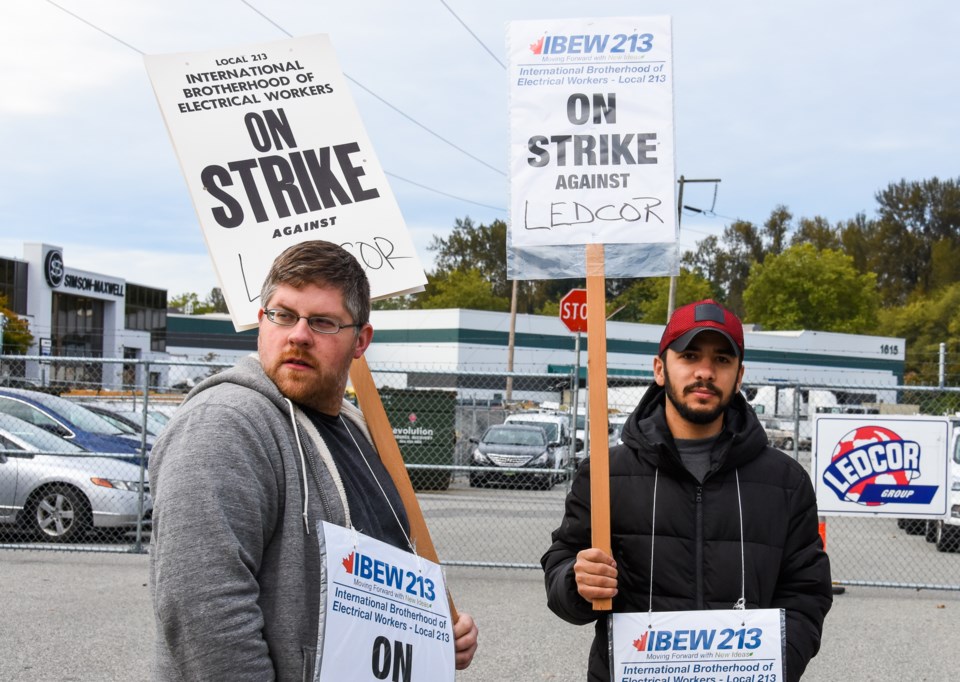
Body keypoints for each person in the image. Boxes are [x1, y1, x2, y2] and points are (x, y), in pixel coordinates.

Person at [149, 241, 478, 680]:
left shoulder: (360, 431)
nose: (299, 335)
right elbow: (204, 610)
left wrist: (430, 635)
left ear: (360, 341)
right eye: (283, 315)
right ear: (262, 321)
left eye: (323, 322)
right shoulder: (225, 424)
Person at [542, 299, 831, 682]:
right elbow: (562, 562)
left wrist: (773, 666)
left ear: (739, 376)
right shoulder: (605, 473)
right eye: (690, 356)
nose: (705, 372)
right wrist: (577, 583)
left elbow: (806, 593)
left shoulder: (786, 481)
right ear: (660, 369)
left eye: (722, 360)